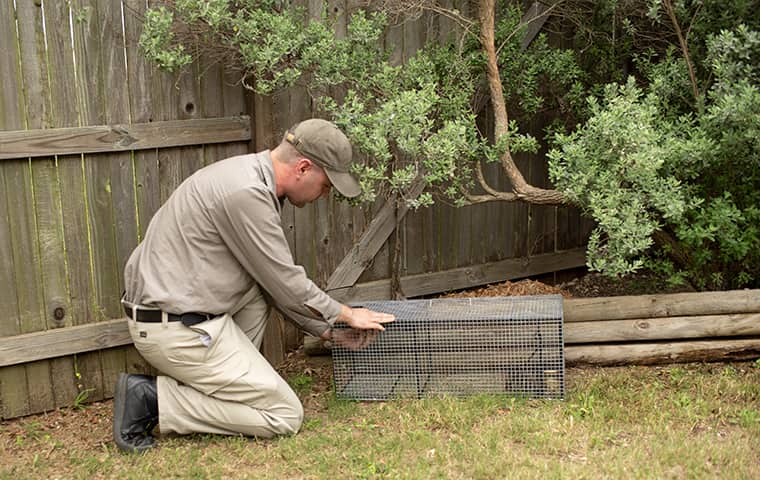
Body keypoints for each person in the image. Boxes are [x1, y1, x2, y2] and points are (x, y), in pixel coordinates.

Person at [113, 118, 395, 453]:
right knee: (285, 415)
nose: (325, 194)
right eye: (326, 184)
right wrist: (347, 314)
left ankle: (227, 388)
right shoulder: (246, 194)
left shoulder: (247, 176)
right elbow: (287, 282)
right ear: (304, 167)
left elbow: (271, 285)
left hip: (182, 313)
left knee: (257, 293)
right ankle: (151, 399)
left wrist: (328, 333)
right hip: (174, 328)